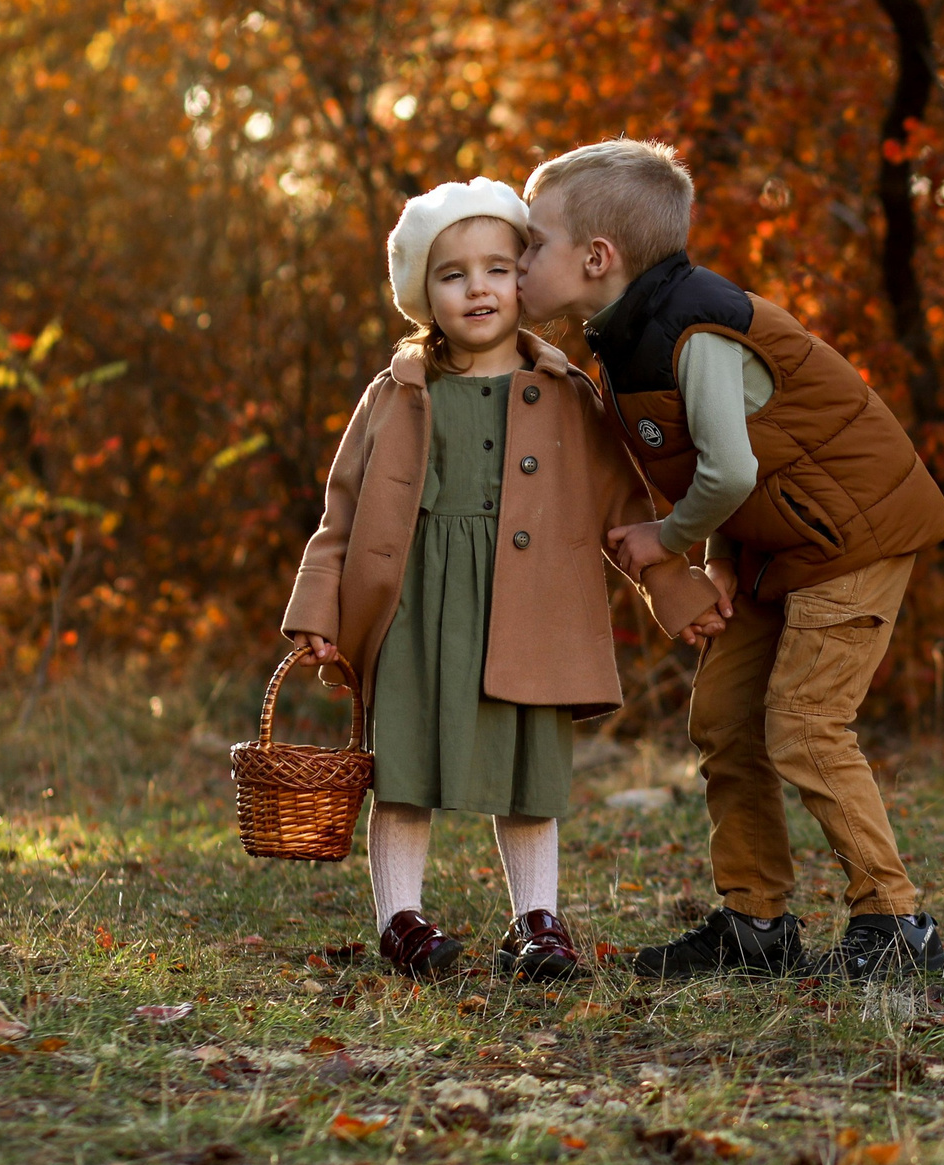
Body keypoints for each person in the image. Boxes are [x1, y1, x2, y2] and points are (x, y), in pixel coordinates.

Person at [515, 139, 944, 980]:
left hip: (848, 536)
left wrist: (668, 539)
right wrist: (715, 558)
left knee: (805, 725)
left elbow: (729, 469)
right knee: (721, 718)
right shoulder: (620, 333)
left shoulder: (693, 328)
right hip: (770, 543)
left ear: (598, 258)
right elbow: (718, 458)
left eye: (533, 243)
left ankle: (897, 920)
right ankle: (757, 923)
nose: (519, 260)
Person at [280, 178, 720, 981]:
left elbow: (624, 506)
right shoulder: (395, 394)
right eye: (452, 274)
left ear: (524, 277)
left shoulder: (565, 393)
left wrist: (679, 587)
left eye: (496, 267)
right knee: (405, 766)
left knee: (528, 769)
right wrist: (317, 607)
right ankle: (401, 919)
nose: (477, 288)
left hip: (533, 608)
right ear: (423, 294)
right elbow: (340, 511)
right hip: (417, 607)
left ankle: (536, 920)